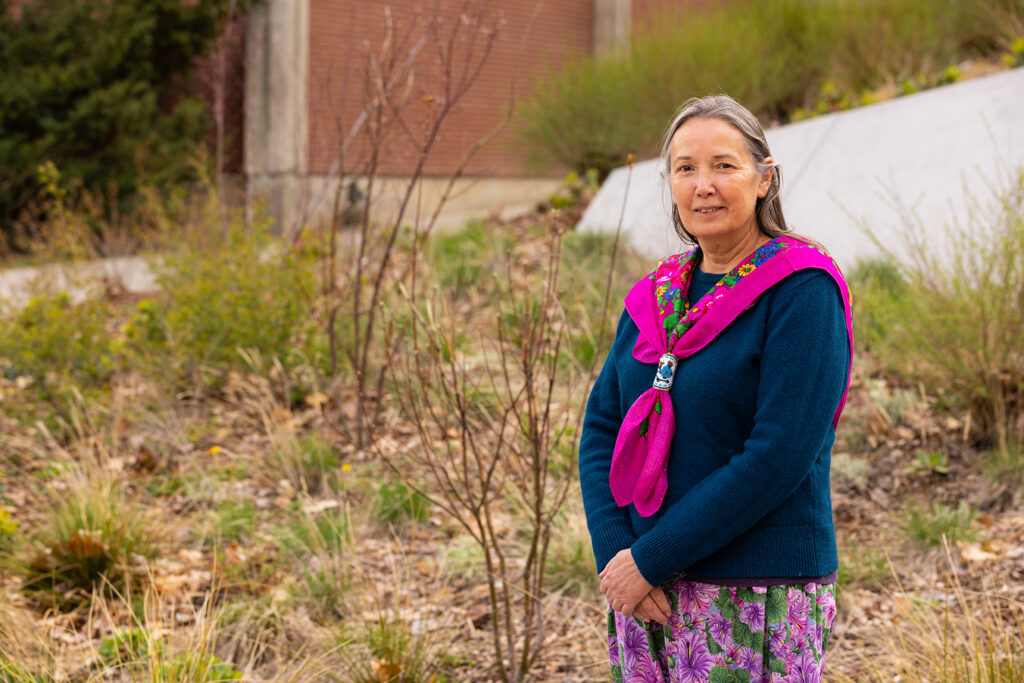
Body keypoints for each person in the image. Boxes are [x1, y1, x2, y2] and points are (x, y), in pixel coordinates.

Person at [578, 94, 853, 682]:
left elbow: (778, 455)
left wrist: (651, 558)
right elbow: (602, 425)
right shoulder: (656, 296)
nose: (704, 184)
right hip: (643, 592)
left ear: (763, 178)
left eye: (724, 165)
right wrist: (616, 555)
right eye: (685, 168)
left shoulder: (801, 291)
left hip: (754, 592)